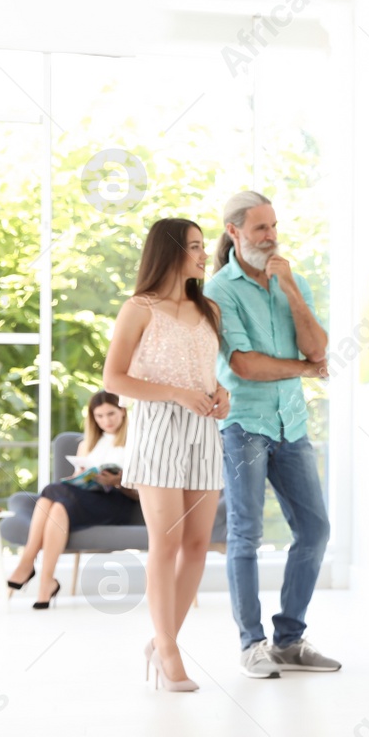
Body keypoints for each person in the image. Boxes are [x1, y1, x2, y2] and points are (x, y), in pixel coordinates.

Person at [204, 190, 339, 680]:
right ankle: (251, 644)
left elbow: (319, 346)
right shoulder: (219, 290)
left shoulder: (291, 280)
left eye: (274, 226)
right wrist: (304, 369)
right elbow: (245, 365)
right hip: (245, 425)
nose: (271, 236)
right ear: (234, 232)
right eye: (260, 228)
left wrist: (293, 293)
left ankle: (289, 640)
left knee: (315, 530)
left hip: (292, 424)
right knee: (246, 533)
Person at [104, 218, 231, 693]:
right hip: (158, 429)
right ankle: (170, 650)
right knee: (168, 543)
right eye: (196, 247)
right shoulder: (140, 308)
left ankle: (162, 642)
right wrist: (176, 394)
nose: (204, 255)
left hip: (204, 428)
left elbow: (210, 373)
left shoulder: (209, 310)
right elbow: (114, 379)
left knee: (198, 544)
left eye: (203, 247)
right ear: (171, 251)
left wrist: (221, 393)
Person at [6, 391, 139, 609]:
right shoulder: (87, 443)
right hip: (85, 500)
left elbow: (141, 490)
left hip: (117, 500)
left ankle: (27, 562)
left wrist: (117, 480)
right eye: (100, 416)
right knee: (56, 504)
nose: (107, 421)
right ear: (92, 418)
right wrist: (79, 479)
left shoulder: (135, 441)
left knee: (52, 490)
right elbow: (79, 478)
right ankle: (46, 583)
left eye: (111, 414)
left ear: (123, 412)